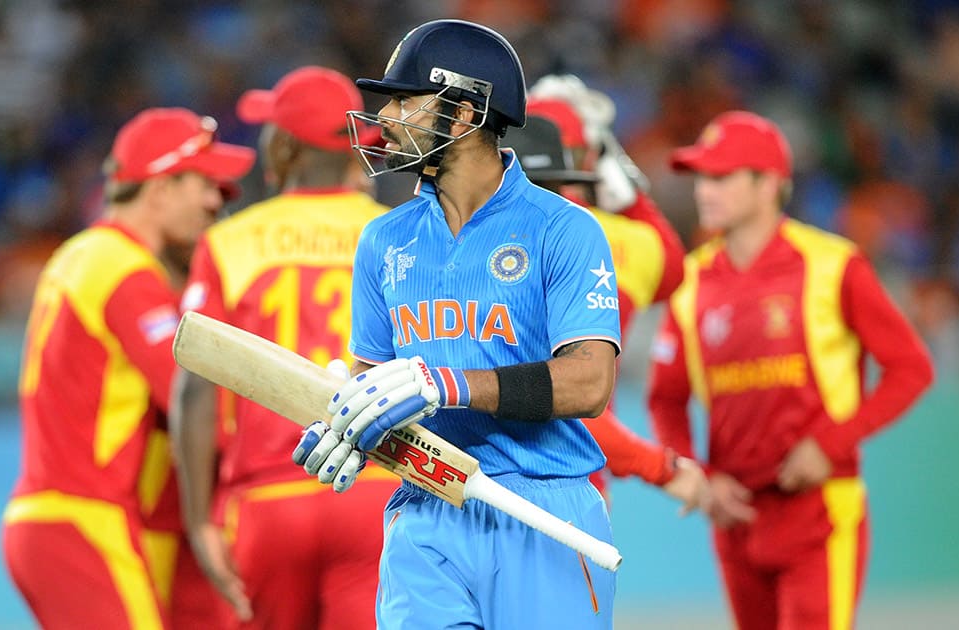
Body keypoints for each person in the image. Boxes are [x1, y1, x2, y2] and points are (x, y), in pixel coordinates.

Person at [292, 19, 620, 629]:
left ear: (466, 113)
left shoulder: (565, 229)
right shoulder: (382, 240)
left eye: (404, 100)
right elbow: (375, 384)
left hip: (542, 507)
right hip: (426, 508)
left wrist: (449, 384)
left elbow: (590, 384)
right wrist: (347, 427)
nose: (386, 116)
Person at [647, 110, 935, 630]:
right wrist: (701, 474)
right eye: (700, 178)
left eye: (721, 176)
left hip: (819, 512)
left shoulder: (834, 265)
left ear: (768, 184)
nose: (704, 191)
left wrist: (831, 443)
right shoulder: (688, 282)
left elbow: (911, 369)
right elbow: (664, 398)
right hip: (735, 519)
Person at [1, 107, 255, 629]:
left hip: (57, 518)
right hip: (84, 520)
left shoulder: (83, 254)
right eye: (206, 185)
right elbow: (189, 395)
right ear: (160, 187)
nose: (216, 202)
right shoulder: (124, 270)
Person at [168, 66, 398, 630]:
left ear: (284, 147)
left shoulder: (230, 241)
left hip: (270, 498)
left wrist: (200, 523)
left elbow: (195, 389)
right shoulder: (399, 233)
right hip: (376, 488)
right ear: (353, 151)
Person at [503, 113, 707, 508]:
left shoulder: (467, 250)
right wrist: (623, 180)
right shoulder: (615, 238)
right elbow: (673, 268)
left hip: (491, 480)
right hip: (571, 477)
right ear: (585, 162)